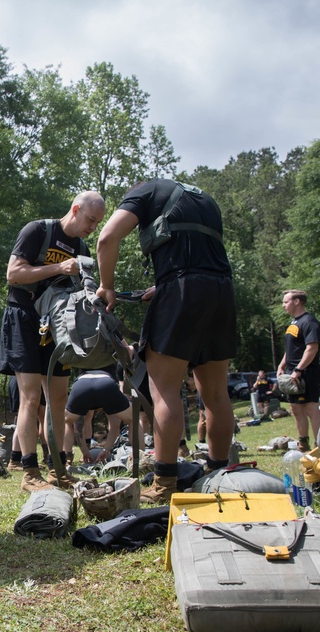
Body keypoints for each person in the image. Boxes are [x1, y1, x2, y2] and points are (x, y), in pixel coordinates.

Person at [97, 179, 235, 505]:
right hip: (221, 290)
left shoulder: (145, 191)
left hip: (182, 287)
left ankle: (165, 483)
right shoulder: (205, 200)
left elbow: (107, 238)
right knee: (216, 392)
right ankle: (218, 474)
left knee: (164, 390)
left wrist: (107, 286)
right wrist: (162, 289)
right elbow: (201, 256)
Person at [1, 191, 106, 492]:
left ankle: (57, 469)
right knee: (31, 397)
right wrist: (59, 268)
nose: (92, 227)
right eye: (90, 220)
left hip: (58, 326)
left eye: (98, 223)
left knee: (58, 399)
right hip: (24, 317)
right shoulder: (38, 231)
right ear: (75, 209)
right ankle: (29, 472)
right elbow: (13, 274)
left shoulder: (82, 247)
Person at [276, 290, 320, 452]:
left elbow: (312, 348)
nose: (283, 305)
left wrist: (298, 369)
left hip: (307, 371)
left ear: (297, 302)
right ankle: (303, 442)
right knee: (296, 408)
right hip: (292, 372)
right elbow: (290, 349)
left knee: (310, 407)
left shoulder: (309, 321)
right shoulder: (293, 323)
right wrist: (282, 365)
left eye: (286, 302)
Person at [64, 367, 132, 463]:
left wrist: (85, 452)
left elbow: (77, 428)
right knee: (133, 420)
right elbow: (115, 426)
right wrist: (106, 450)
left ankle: (67, 458)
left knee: (68, 421)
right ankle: (138, 460)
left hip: (82, 384)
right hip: (106, 384)